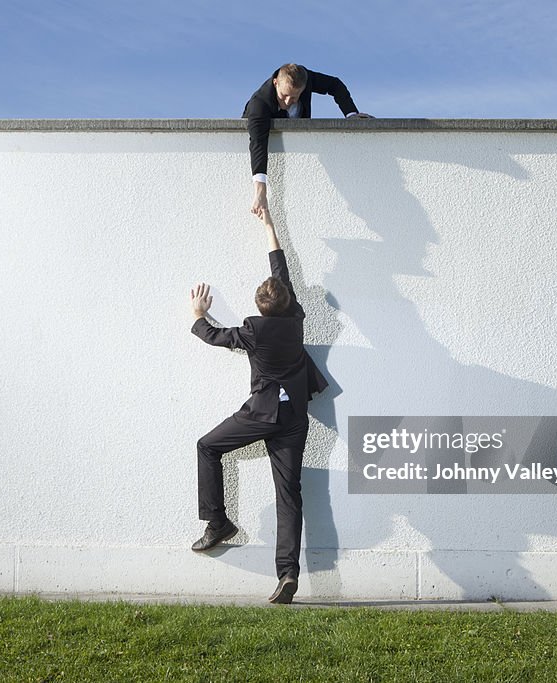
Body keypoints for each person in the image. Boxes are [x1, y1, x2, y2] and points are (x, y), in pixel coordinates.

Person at [189, 208, 329, 604]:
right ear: (287, 302)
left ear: (260, 306)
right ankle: (287, 574)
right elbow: (281, 271)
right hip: (294, 419)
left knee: (207, 446)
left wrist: (199, 316)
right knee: (290, 495)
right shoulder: (296, 319)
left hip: (260, 415)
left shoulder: (254, 329)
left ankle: (218, 522)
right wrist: (269, 225)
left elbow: (216, 336)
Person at [243, 63, 371, 216]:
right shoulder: (259, 104)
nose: (288, 101)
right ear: (275, 82)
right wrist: (260, 191)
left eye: (295, 96)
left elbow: (335, 85)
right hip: (268, 148)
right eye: (284, 95)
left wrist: (351, 115)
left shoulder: (306, 79)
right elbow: (258, 143)